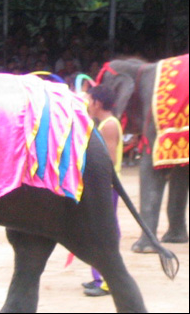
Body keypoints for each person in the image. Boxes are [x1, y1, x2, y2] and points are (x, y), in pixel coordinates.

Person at [83, 85, 123, 297]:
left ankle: (108, 280)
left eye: (89, 100)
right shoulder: (105, 123)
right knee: (98, 230)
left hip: (105, 187)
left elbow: (110, 160)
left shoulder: (108, 126)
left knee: (103, 231)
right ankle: (100, 276)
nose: (88, 104)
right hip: (103, 186)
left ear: (97, 103)